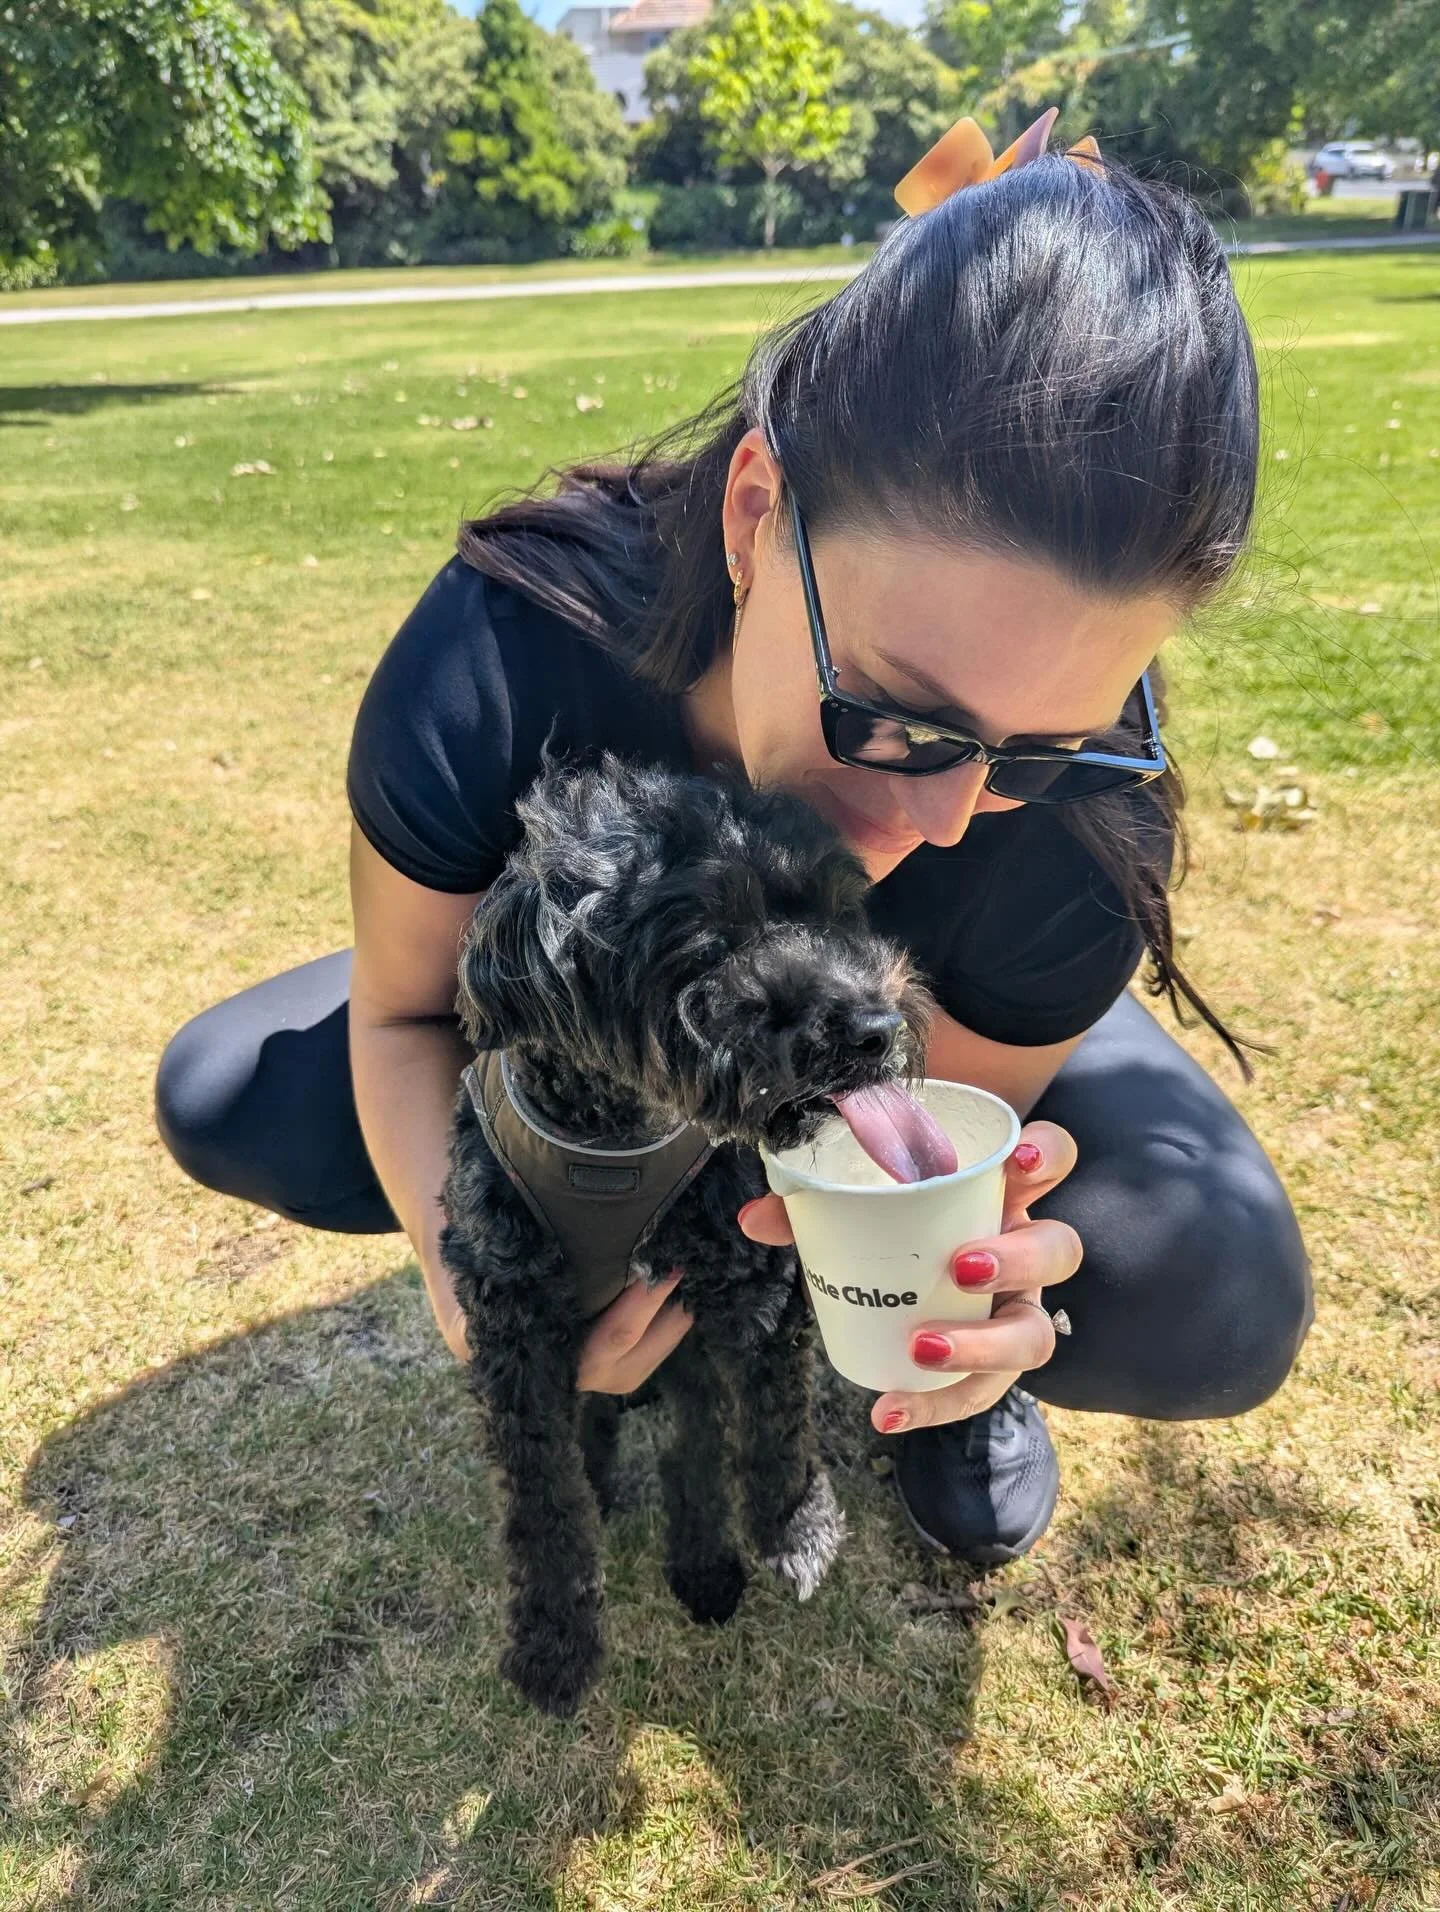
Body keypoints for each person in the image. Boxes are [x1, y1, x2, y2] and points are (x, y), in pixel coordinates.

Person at [154, 110, 1313, 1570]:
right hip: (594, 1011)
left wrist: (954, 1285)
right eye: (898, 717)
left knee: (1209, 1289)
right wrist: (477, 1279)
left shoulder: (1076, 823)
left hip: (909, 1047)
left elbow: (889, 1137)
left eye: (1042, 743)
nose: (944, 820)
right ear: (758, 515)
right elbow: (397, 1010)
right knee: (237, 1098)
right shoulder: (505, 660)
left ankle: (933, 1395)